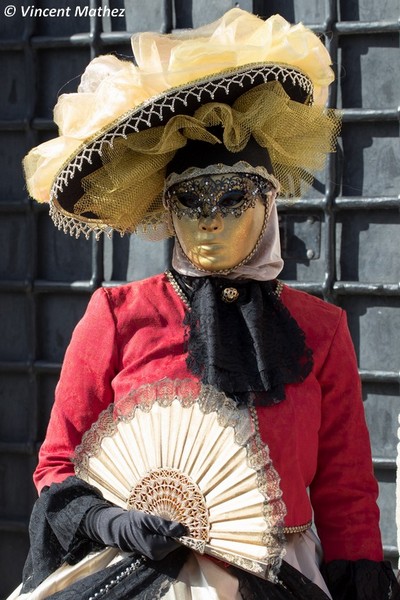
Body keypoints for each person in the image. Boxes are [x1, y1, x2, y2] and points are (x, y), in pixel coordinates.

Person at [9, 8, 400, 600]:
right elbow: (57, 465)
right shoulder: (118, 315)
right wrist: (112, 521)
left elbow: (346, 496)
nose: (209, 218)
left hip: (280, 579)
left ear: (267, 203)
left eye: (231, 195)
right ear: (168, 211)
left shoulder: (320, 329)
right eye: (190, 199)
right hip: (135, 574)